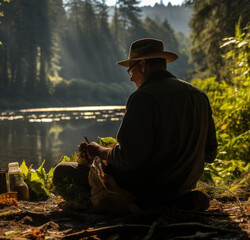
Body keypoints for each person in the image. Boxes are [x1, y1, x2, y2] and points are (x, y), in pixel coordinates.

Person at [53, 38, 218, 212]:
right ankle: (179, 201)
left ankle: (139, 204)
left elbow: (129, 159)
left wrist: (99, 151)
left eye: (130, 71)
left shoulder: (144, 97)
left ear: (142, 65)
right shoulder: (199, 96)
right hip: (184, 187)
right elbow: (210, 154)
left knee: (62, 171)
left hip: (146, 189)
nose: (131, 79)